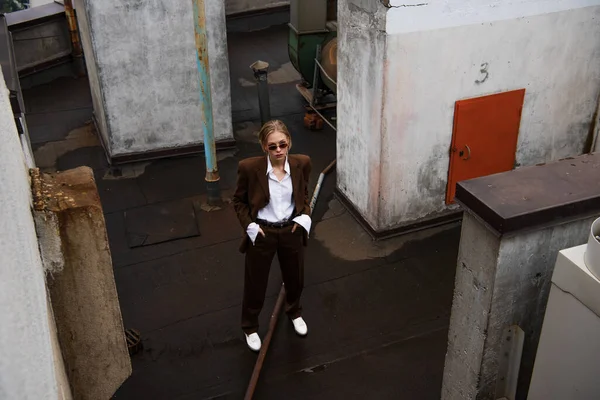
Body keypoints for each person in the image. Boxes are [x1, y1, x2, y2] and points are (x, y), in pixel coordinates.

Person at [233, 119, 312, 352]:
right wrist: (250, 227)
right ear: (263, 147)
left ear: (289, 143)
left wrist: (304, 218)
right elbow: (238, 200)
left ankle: (294, 312)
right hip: (263, 232)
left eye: (283, 144)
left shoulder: (302, 163)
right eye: (272, 146)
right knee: (256, 283)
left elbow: (303, 194)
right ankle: (249, 327)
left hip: (291, 231)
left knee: (295, 277)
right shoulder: (249, 168)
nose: (279, 150)